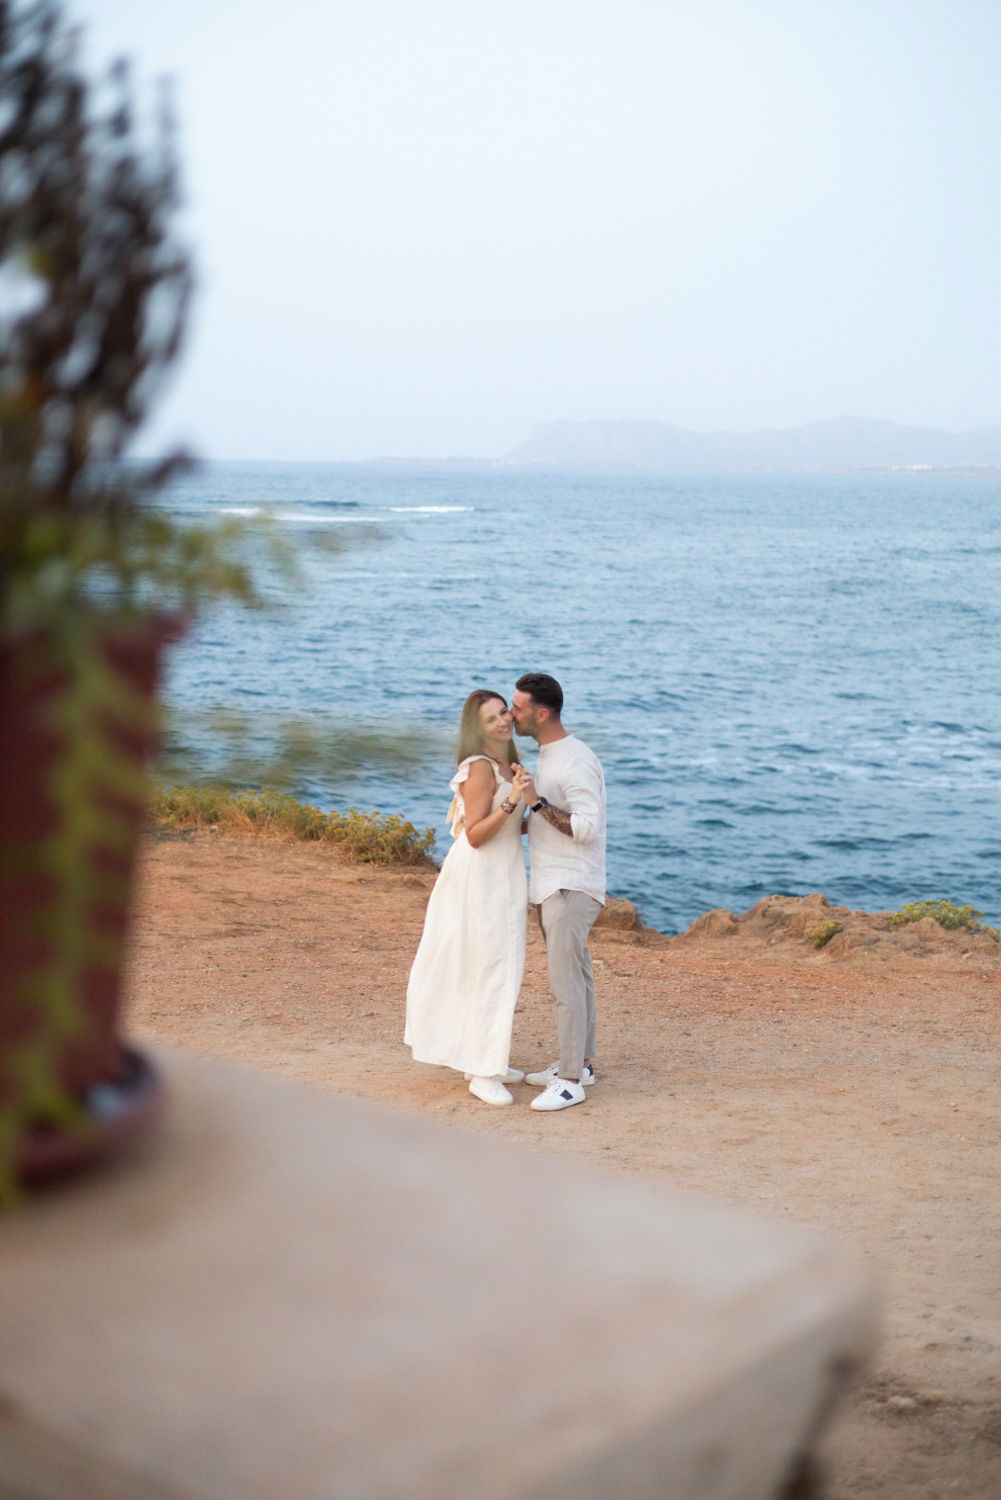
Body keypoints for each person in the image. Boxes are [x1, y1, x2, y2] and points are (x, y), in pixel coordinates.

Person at [405, 690, 528, 1106]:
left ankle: (490, 1055)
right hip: (480, 877)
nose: (502, 722)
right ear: (476, 729)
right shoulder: (480, 769)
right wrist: (514, 801)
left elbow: (506, 828)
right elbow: (475, 835)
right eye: (491, 719)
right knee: (488, 964)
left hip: (505, 873)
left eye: (503, 713)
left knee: (502, 964)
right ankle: (480, 1069)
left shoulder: (510, 766)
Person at [510, 673, 606, 1112]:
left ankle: (569, 1082)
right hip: (553, 883)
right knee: (579, 979)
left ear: (541, 713)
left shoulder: (575, 760)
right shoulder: (550, 757)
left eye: (518, 707)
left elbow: (586, 828)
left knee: (565, 985)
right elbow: (549, 819)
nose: (512, 714)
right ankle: (580, 1063)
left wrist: (533, 804)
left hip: (570, 884)